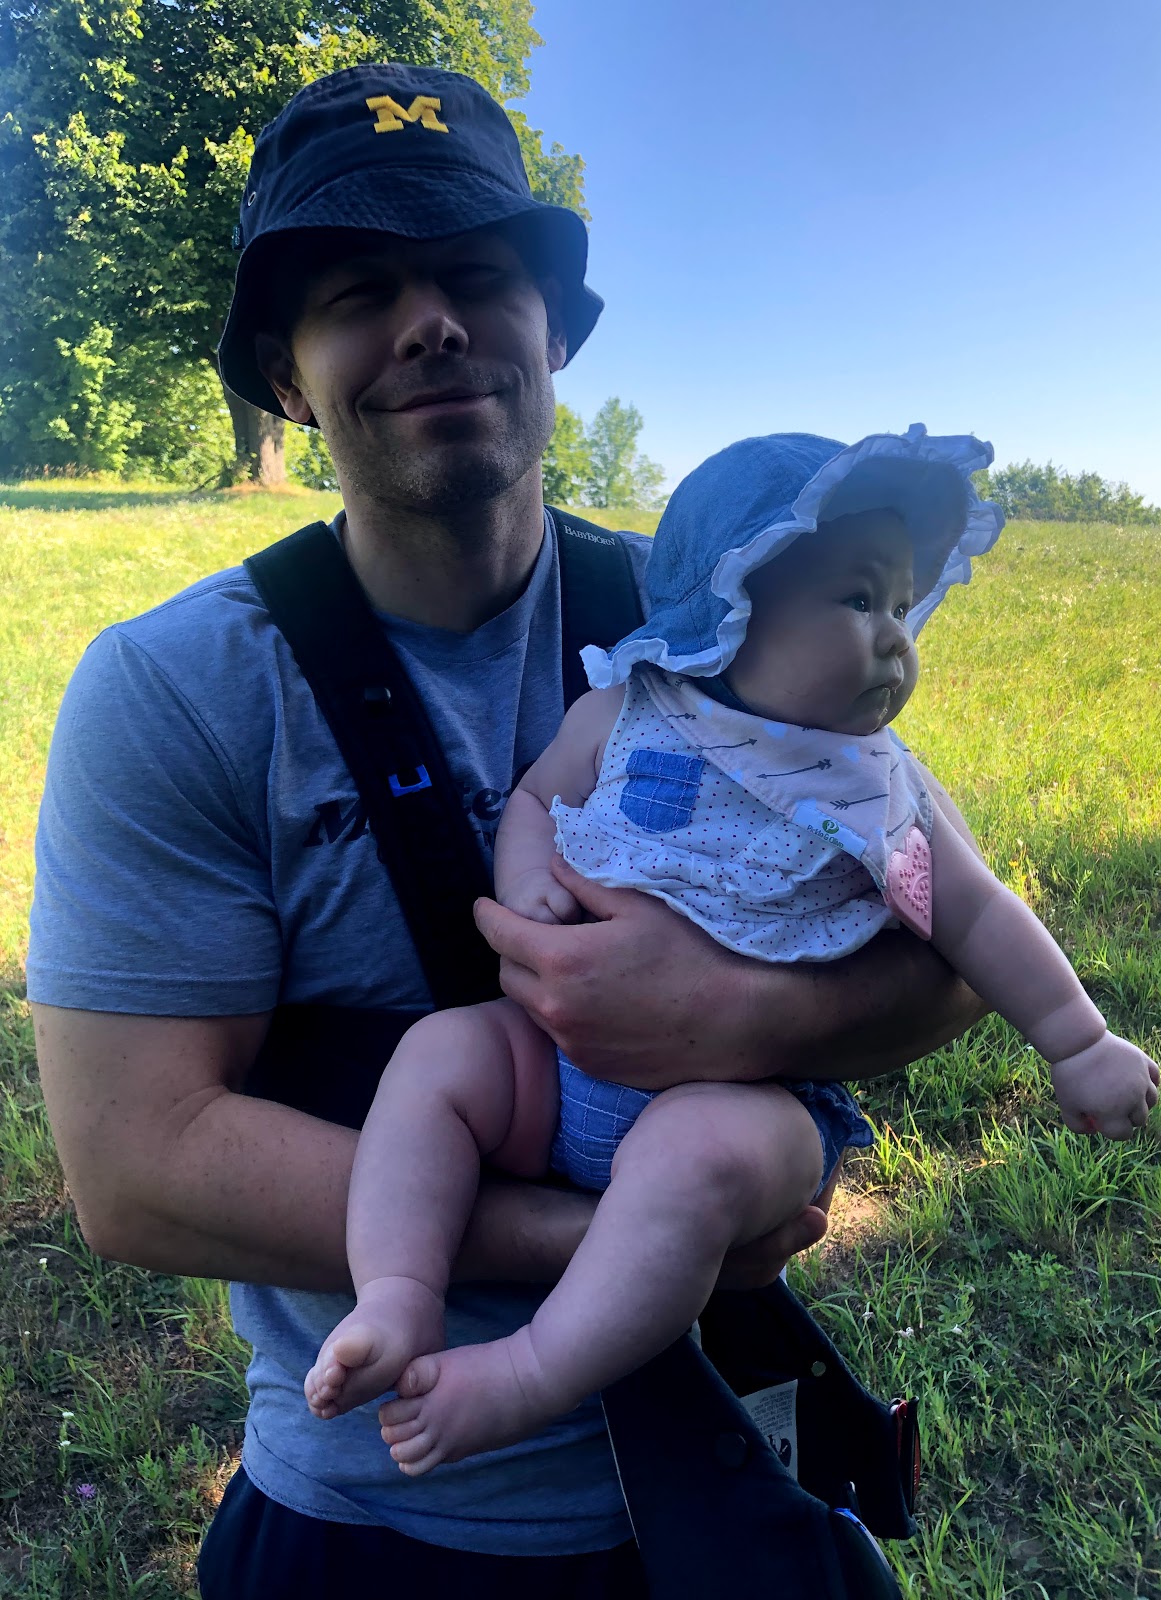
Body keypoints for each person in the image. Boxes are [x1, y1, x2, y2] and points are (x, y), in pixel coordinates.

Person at [28, 63, 985, 1599]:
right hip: (371, 1512)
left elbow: (951, 931)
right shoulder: (178, 690)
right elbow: (136, 1169)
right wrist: (628, 1236)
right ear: (285, 374)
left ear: (556, 335)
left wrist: (747, 1018)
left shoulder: (724, 622)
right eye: (361, 291)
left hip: (719, 1482)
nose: (432, 322)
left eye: (479, 275)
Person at [303, 428, 1161, 1475]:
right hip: (555, 1071)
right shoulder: (626, 709)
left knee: (693, 1159)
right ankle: (397, 1292)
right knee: (440, 1055)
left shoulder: (875, 786)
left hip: (749, 1107)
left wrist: (1078, 1041)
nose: (895, 638)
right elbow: (534, 797)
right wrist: (526, 878)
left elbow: (974, 917)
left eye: (902, 606)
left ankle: (528, 1374)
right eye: (860, 599)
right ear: (732, 606)